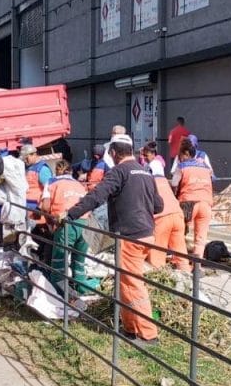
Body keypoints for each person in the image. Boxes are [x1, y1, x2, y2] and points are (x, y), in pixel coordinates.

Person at [65, 135, 164, 347]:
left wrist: (71, 214)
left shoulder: (119, 171)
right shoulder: (145, 172)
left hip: (130, 235)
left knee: (132, 283)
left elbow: (97, 195)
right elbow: (159, 206)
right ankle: (130, 329)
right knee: (124, 281)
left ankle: (148, 335)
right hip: (147, 233)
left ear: (113, 153)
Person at [41, 160, 93, 295]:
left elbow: (45, 207)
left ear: (57, 171)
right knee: (79, 259)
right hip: (86, 223)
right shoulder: (79, 184)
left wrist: (50, 224)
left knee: (60, 258)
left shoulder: (52, 182)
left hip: (65, 223)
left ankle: (61, 293)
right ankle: (81, 289)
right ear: (70, 171)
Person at [147, 161, 190, 272]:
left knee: (158, 250)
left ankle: (157, 276)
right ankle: (186, 274)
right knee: (179, 249)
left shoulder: (148, 181)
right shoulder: (165, 181)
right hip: (177, 215)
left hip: (162, 218)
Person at [173, 142, 213, 258]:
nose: (179, 159)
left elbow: (175, 183)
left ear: (186, 154)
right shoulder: (205, 167)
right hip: (206, 202)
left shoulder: (182, 166)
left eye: (180, 156)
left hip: (188, 202)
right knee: (201, 236)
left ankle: (180, 260)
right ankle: (197, 265)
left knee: (180, 232)